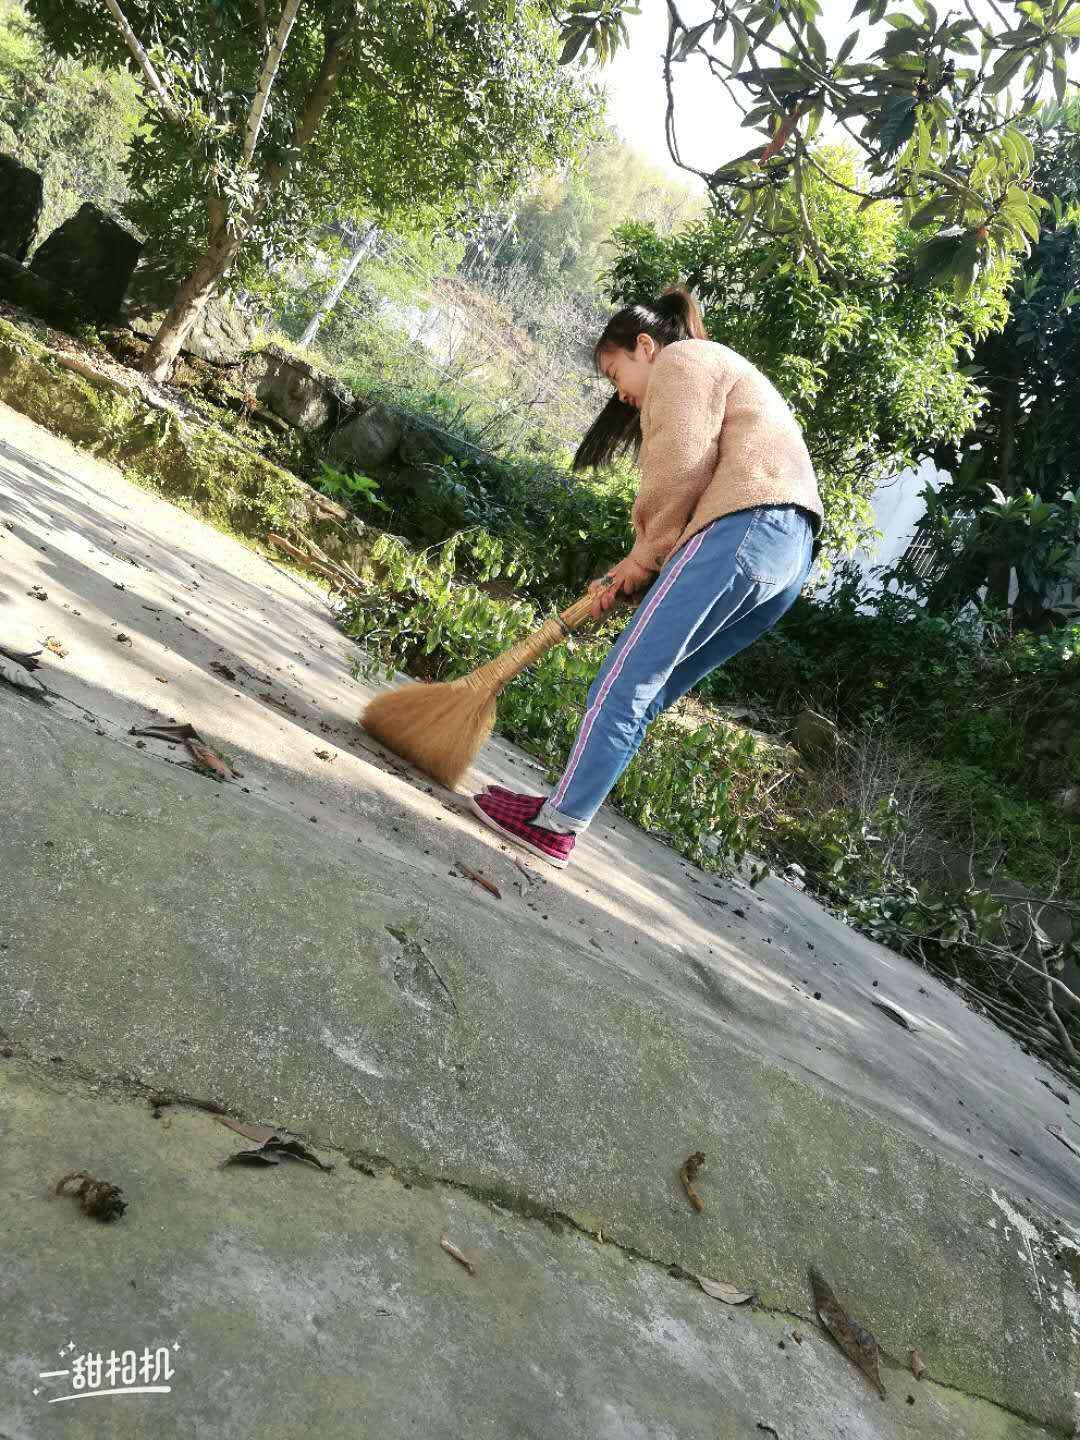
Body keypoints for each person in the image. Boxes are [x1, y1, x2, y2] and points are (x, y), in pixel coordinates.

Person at [468, 286, 824, 869]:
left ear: (645, 346)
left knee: (623, 682)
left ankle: (556, 826)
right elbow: (701, 489)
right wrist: (642, 569)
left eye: (615, 373)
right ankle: (561, 812)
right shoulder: (725, 370)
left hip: (744, 526)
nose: (620, 394)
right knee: (648, 691)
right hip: (787, 555)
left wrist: (644, 555)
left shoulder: (683, 360)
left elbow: (680, 466)